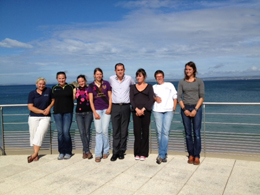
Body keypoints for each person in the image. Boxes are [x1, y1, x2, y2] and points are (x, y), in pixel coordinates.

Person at [178, 61, 205, 165]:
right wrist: (184, 109)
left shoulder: (199, 81)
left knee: (197, 133)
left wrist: (195, 110)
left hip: (196, 108)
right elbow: (179, 97)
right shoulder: (182, 82)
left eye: (189, 69)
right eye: (186, 69)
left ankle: (197, 156)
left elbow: (202, 96)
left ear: (194, 70)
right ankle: (191, 155)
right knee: (188, 134)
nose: (187, 71)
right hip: (185, 108)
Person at [109, 63, 135, 161]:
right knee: (115, 130)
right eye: (118, 70)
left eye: (121, 69)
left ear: (124, 70)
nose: (120, 71)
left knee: (124, 130)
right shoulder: (111, 79)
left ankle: (121, 151)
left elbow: (134, 88)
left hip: (125, 107)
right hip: (115, 107)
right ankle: (115, 152)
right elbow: (109, 92)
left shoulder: (129, 79)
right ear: (115, 71)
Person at [27, 78, 54, 163]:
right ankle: (36, 154)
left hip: (46, 117)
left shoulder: (48, 91)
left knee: (41, 133)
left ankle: (34, 154)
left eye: (43, 84)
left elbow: (53, 100)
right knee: (34, 134)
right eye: (40, 84)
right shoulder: (32, 93)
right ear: (36, 84)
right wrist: (42, 111)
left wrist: (49, 108)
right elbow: (30, 107)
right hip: (33, 117)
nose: (41, 85)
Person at [153, 70, 177, 164]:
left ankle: (161, 155)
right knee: (160, 133)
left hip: (168, 111)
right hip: (157, 111)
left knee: (165, 132)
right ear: (155, 78)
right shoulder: (153, 87)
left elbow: (175, 97)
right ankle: (164, 154)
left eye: (161, 76)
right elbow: (150, 97)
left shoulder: (169, 85)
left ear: (163, 77)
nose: (159, 78)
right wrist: (155, 98)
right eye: (157, 76)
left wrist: (174, 109)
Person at [88, 68, 112, 163]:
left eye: (100, 74)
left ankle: (105, 151)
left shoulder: (107, 83)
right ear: (94, 75)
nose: (99, 76)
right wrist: (94, 112)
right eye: (97, 74)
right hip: (97, 110)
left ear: (102, 75)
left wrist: (110, 108)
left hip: (106, 109)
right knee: (98, 132)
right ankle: (98, 153)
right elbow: (91, 100)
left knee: (105, 131)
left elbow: (110, 97)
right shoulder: (91, 86)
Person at [130, 68, 154, 161]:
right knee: (137, 132)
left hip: (146, 112)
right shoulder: (132, 87)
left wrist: (143, 109)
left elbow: (151, 99)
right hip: (136, 112)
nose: (138, 77)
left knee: (145, 132)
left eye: (140, 76)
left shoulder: (149, 87)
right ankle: (137, 152)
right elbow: (131, 99)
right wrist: (136, 109)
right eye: (137, 76)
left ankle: (144, 153)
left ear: (144, 76)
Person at [52, 71, 76, 160]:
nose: (61, 80)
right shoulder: (54, 88)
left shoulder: (71, 87)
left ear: (65, 78)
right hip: (57, 113)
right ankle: (61, 152)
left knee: (66, 132)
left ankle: (68, 152)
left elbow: (74, 97)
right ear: (57, 79)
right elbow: (51, 100)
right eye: (59, 78)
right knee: (60, 133)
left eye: (63, 78)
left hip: (68, 112)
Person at [75, 75, 93, 159]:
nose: (81, 83)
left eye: (82, 81)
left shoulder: (90, 88)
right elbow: (71, 99)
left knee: (87, 132)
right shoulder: (75, 90)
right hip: (78, 113)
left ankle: (85, 151)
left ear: (85, 80)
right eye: (79, 82)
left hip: (88, 112)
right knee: (82, 132)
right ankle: (86, 151)